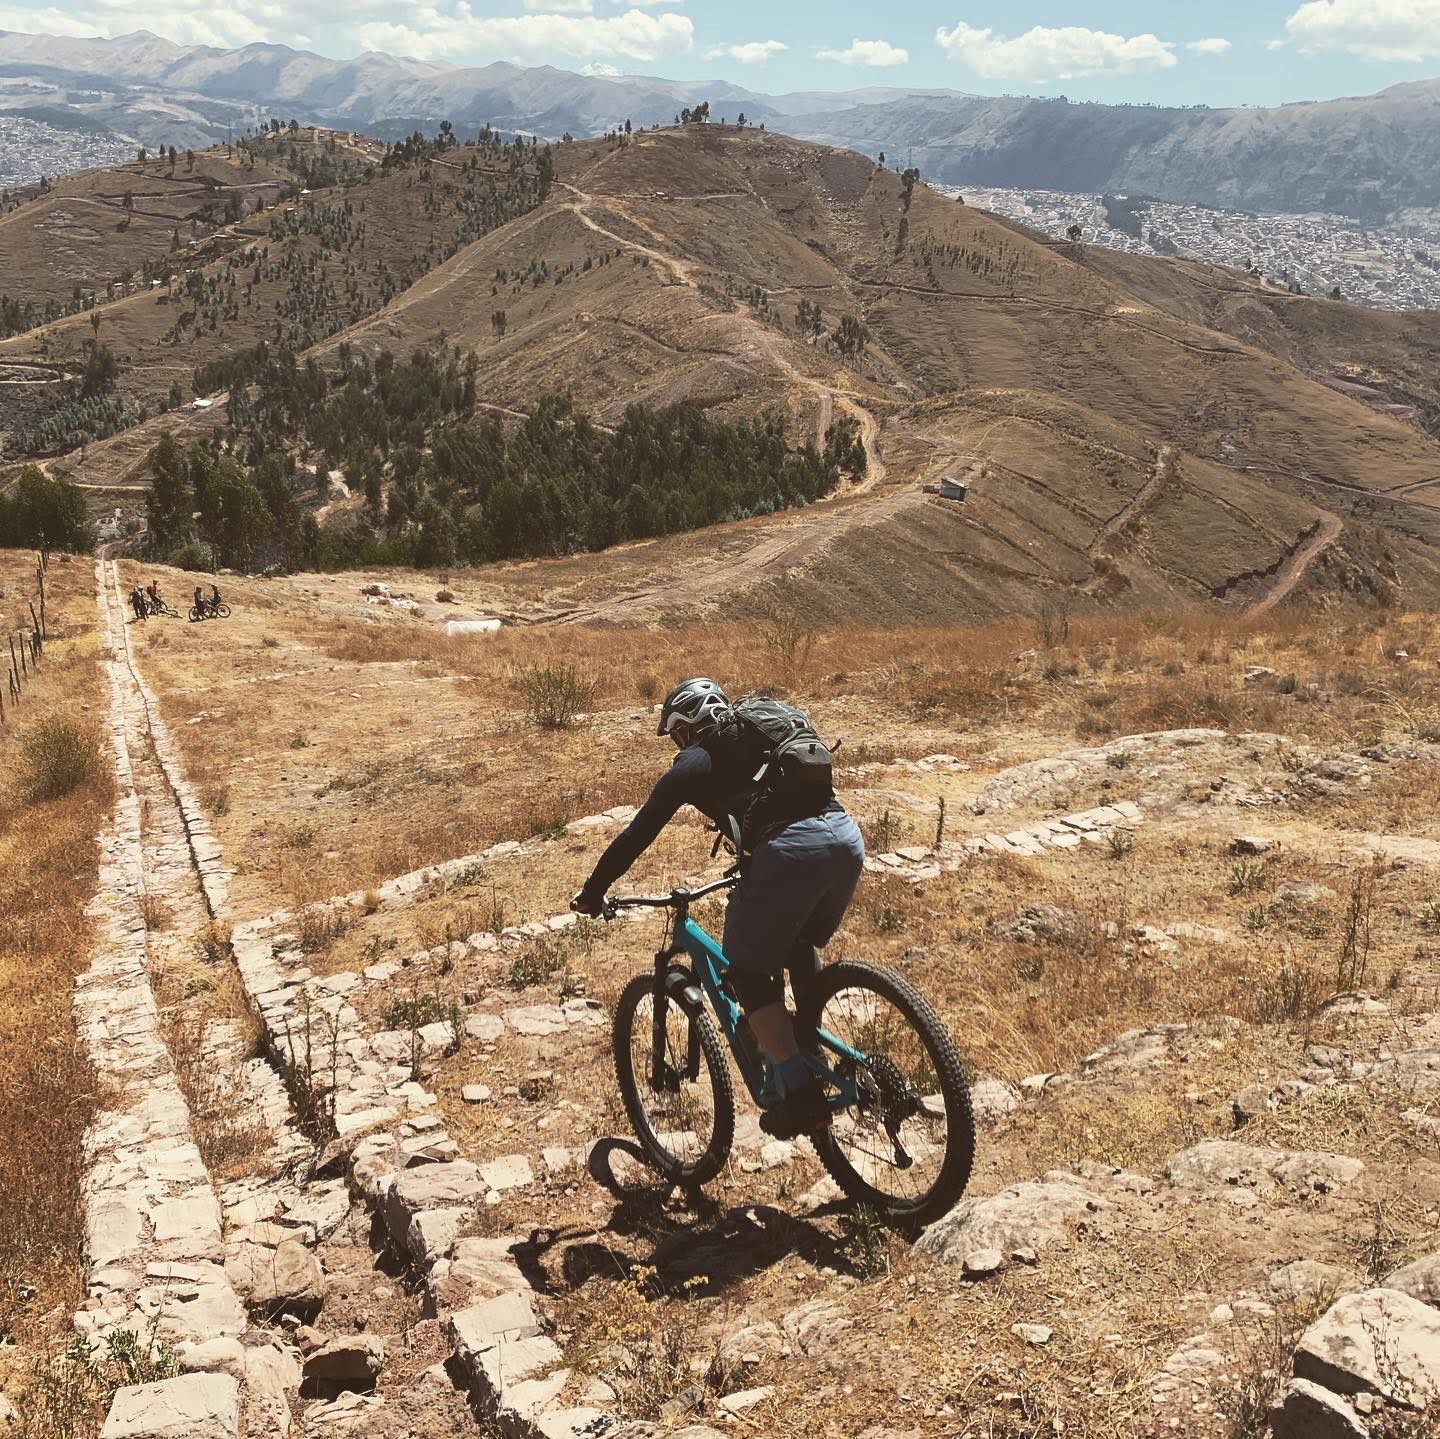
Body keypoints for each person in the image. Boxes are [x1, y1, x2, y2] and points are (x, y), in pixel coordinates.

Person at [572, 678, 865, 1140]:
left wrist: (593, 891)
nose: (676, 744)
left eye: (675, 734)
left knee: (746, 974)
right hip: (845, 837)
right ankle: (812, 1055)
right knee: (798, 941)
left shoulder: (693, 762)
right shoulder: (758, 738)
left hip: (789, 852)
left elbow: (637, 834)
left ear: (686, 728)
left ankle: (799, 1092)